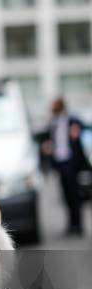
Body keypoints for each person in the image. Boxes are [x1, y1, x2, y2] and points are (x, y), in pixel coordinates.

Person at [41, 97, 90, 236]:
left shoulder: (73, 120)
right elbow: (46, 139)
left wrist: (78, 130)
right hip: (60, 163)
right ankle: (71, 225)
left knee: (75, 195)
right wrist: (47, 146)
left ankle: (79, 225)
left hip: (72, 163)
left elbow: (86, 128)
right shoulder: (53, 123)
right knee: (66, 195)